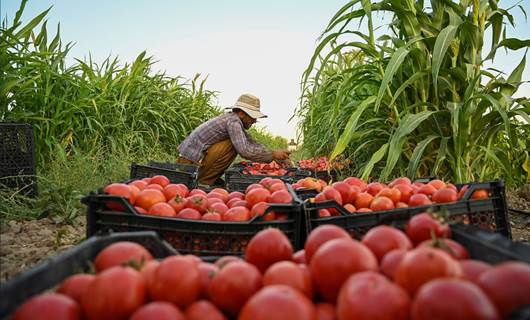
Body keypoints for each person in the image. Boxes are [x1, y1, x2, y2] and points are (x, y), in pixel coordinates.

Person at [177, 93, 291, 186]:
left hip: (194, 160)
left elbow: (251, 142)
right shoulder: (233, 122)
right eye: (252, 117)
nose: (254, 121)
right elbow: (245, 151)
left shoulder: (233, 120)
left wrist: (274, 157)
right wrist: (272, 155)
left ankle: (206, 178)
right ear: (241, 113)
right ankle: (202, 182)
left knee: (237, 142)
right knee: (232, 145)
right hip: (190, 163)